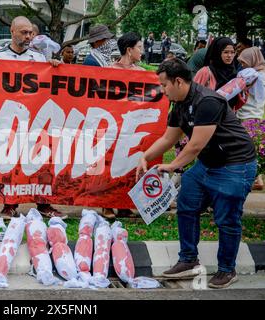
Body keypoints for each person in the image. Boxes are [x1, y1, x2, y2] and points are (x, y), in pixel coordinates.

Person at [137, 58, 256, 289]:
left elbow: (195, 146)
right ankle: (188, 259)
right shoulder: (179, 103)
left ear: (178, 81)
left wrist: (172, 166)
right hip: (207, 165)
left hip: (235, 164)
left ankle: (227, 270)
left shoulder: (207, 101)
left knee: (227, 218)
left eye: (164, 85)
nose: (162, 90)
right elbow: (168, 139)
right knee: (187, 203)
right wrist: (145, 156)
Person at [0, 16, 66, 220]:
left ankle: (43, 204)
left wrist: (54, 66)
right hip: (7, 120)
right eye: (24, 32)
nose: (29, 36)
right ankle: (9, 205)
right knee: (9, 162)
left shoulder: (38, 59)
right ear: (12, 31)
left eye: (31, 33)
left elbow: (51, 84)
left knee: (39, 161)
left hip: (34, 120)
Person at [102, 31, 145, 219]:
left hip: (132, 127)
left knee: (129, 165)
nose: (142, 52)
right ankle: (107, 205)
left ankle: (124, 204)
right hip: (112, 127)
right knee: (109, 166)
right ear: (129, 50)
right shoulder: (109, 71)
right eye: (140, 48)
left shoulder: (142, 74)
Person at [236, 47, 265, 190]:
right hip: (257, 114)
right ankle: (258, 179)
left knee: (245, 148)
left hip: (246, 114)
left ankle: (250, 179)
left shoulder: (252, 74)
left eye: (244, 62)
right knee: (253, 147)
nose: (242, 65)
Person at [194, 37, 244, 111]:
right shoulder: (205, 72)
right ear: (217, 52)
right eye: (226, 52)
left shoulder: (234, 72)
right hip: (208, 116)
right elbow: (193, 94)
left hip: (228, 117)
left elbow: (236, 101)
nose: (229, 56)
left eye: (232, 52)